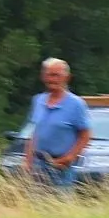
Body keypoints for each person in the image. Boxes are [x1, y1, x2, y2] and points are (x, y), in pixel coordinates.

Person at [23, 57, 92, 189]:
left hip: (61, 166)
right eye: (49, 75)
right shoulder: (38, 100)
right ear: (43, 77)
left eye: (56, 75)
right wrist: (27, 161)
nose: (52, 80)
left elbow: (86, 135)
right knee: (35, 206)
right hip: (38, 165)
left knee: (59, 205)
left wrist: (70, 157)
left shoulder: (76, 104)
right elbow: (33, 132)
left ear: (67, 78)